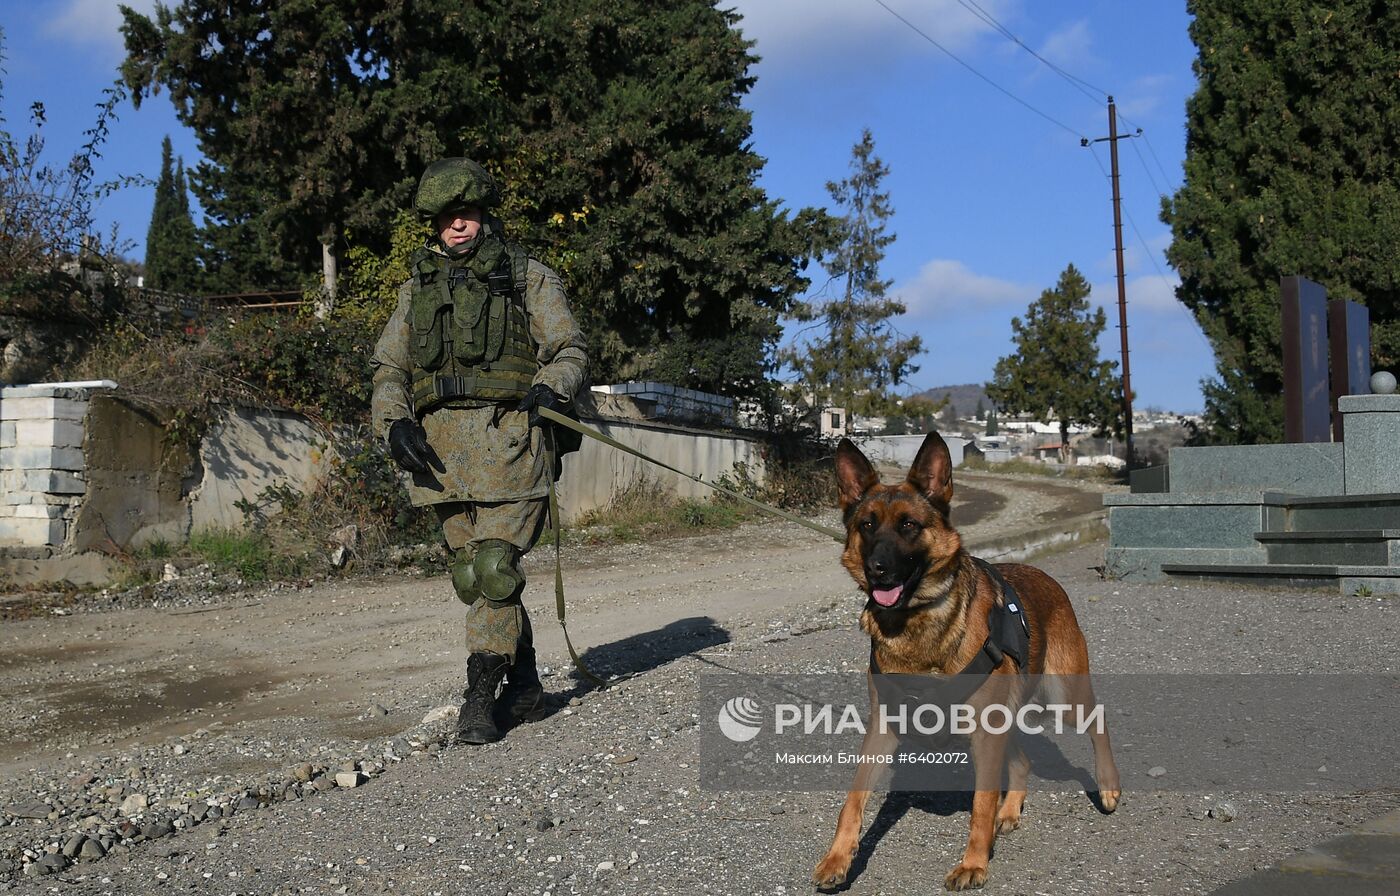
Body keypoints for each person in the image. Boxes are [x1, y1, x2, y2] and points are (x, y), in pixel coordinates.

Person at [370, 157, 588, 745]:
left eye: (464, 213)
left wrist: (551, 387)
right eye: (445, 217)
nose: (456, 226)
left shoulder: (527, 276)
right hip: (439, 458)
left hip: (510, 443)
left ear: (482, 212)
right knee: (478, 579)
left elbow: (569, 347)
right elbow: (388, 367)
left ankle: (477, 697)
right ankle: (524, 685)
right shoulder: (415, 289)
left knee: (494, 570)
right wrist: (393, 423)